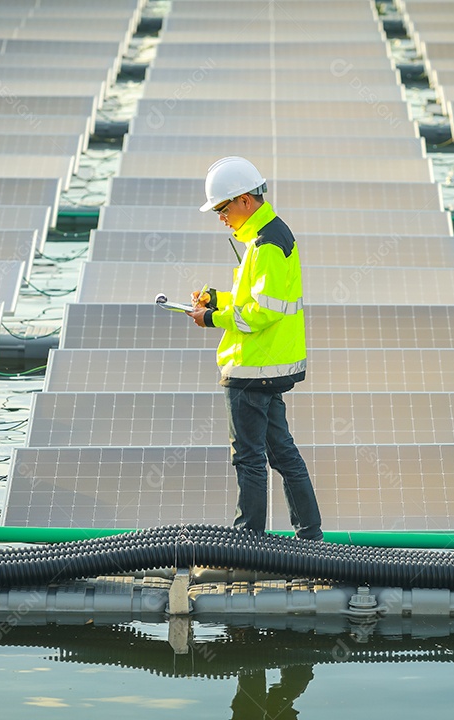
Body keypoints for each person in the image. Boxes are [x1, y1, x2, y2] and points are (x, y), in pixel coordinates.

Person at [185, 156, 323, 541]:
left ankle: (248, 544)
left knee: (248, 460)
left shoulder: (265, 246)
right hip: (266, 367)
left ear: (245, 200)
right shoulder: (268, 237)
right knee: (282, 455)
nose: (220, 217)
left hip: (252, 369)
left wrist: (211, 318)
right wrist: (217, 299)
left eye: (223, 208)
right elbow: (255, 299)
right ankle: (309, 537)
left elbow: (261, 313)